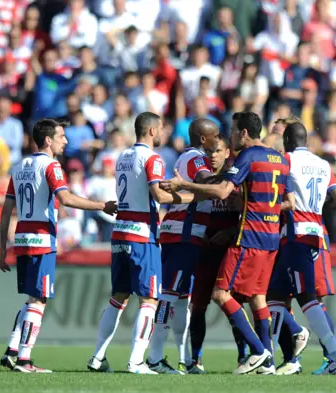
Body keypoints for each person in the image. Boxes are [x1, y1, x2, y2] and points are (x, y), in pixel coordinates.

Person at [161, 111, 294, 374]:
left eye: (233, 131)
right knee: (257, 298)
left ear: (244, 133)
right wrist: (249, 203)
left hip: (247, 237)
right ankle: (262, 360)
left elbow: (221, 190)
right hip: (269, 238)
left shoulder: (246, 158)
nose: (230, 137)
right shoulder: (279, 159)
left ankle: (259, 352)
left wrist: (182, 184)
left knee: (223, 295)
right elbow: (289, 201)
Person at [0, 119, 117, 373]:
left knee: (32, 298)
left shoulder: (18, 167)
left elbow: (6, 210)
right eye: (61, 136)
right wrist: (101, 206)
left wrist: (1, 248)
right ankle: (24, 360)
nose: (66, 140)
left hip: (21, 238)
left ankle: (12, 350)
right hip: (42, 238)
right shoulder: (51, 165)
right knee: (39, 301)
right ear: (48, 140)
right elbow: (65, 198)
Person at [87, 112, 196, 374]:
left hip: (120, 231)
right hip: (142, 235)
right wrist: (192, 196)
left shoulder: (122, 156)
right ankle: (137, 361)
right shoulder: (153, 158)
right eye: (161, 129)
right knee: (149, 300)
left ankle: (97, 357)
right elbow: (158, 195)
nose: (163, 134)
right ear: (151, 131)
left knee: (118, 298)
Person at [267, 122, 336, 375]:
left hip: (296, 235)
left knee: (306, 298)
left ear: (288, 141)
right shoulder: (324, 165)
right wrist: (316, 210)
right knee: (273, 296)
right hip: (314, 233)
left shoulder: (287, 161)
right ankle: (277, 358)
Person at [146, 118, 220, 374]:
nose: (218, 140)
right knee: (169, 294)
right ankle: (154, 357)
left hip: (185, 232)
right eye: (215, 136)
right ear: (203, 138)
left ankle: (185, 358)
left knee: (181, 299)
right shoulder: (195, 158)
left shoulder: (188, 157)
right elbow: (209, 183)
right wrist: (229, 179)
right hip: (183, 232)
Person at [188, 135, 240, 373]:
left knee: (232, 304)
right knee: (197, 306)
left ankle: (245, 357)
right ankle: (195, 359)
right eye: (209, 151)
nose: (212, 155)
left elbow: (249, 215)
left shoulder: (236, 179)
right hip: (204, 249)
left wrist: (230, 232)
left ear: (227, 152)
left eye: (217, 150)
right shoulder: (200, 181)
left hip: (228, 251)